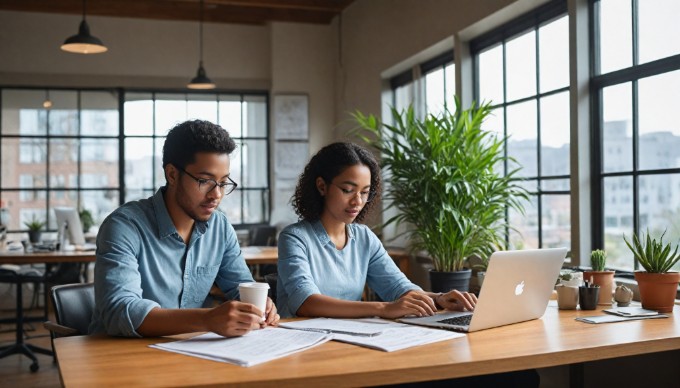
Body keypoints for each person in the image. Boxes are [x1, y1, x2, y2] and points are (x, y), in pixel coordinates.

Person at [89, 119, 279, 337]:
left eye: (223, 182)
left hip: (187, 353)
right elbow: (120, 312)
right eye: (204, 181)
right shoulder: (124, 226)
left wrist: (261, 305)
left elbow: (240, 287)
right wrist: (207, 319)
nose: (216, 195)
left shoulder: (220, 226)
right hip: (118, 357)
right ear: (172, 175)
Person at [276, 141, 477, 319]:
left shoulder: (364, 237)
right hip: (302, 343)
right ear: (321, 186)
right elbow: (305, 303)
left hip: (349, 339)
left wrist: (440, 298)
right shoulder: (295, 238)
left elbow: (398, 288)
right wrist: (383, 308)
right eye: (347, 190)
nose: (357, 201)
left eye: (364, 192)